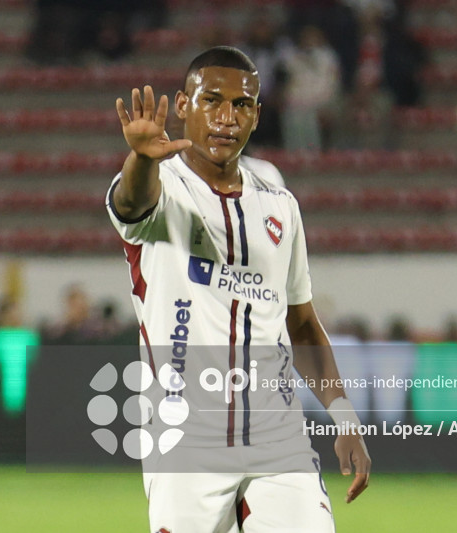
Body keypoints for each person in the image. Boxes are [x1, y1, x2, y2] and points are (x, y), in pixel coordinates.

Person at [107, 46, 370, 533]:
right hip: (186, 439)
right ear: (183, 106)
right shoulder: (163, 189)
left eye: (242, 105)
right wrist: (141, 159)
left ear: (257, 115)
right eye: (211, 101)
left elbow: (301, 323)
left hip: (278, 434)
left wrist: (344, 418)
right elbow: (131, 200)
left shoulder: (279, 204)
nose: (227, 117)